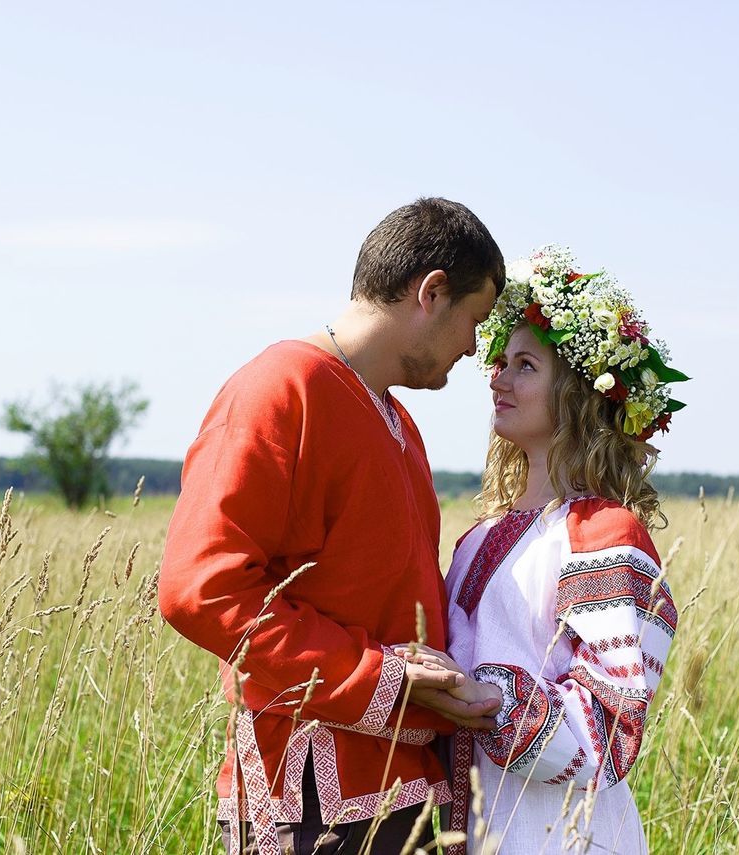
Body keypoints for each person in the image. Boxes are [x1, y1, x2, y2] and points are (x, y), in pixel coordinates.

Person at [158, 198, 506, 855]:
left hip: (407, 791)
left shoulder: (402, 425)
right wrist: (378, 677)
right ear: (431, 292)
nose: (472, 345)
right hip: (311, 797)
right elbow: (200, 588)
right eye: (474, 319)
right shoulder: (280, 389)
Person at [400, 245, 687, 854]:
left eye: (524, 365)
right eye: (500, 361)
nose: (497, 377)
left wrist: (492, 699)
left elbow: (610, 731)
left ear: (579, 394)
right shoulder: (479, 537)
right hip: (475, 826)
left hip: (562, 835)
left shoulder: (604, 534)